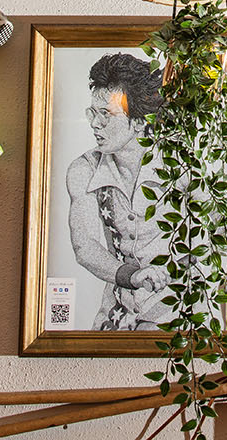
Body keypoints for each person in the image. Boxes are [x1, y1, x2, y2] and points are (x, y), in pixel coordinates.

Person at [64, 54, 170, 330]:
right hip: (117, 319)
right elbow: (84, 246)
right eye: (92, 112)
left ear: (138, 121)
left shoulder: (178, 165)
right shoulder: (83, 169)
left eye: (106, 114)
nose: (94, 124)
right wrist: (131, 277)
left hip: (178, 321)